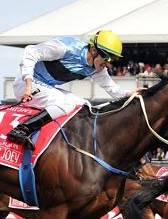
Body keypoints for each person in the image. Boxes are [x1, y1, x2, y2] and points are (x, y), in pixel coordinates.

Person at [8, 30, 144, 149]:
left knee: (84, 105)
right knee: (65, 103)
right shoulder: (66, 48)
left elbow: (114, 90)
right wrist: (28, 85)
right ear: (94, 50)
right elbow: (31, 51)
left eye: (112, 59)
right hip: (26, 83)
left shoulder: (97, 69)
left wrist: (131, 94)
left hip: (45, 86)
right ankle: (22, 130)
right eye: (107, 57)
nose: (108, 63)